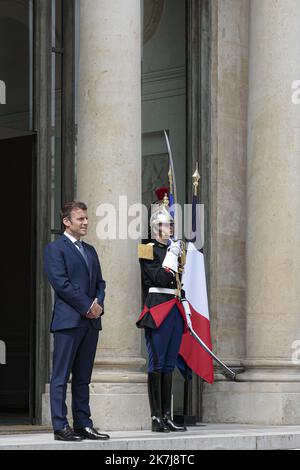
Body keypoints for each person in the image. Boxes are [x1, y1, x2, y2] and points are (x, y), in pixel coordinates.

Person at [44, 201, 110, 442]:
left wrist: (98, 305)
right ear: (66, 222)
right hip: (68, 322)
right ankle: (60, 426)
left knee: (83, 377)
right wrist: (87, 306)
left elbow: (100, 283)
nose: (86, 222)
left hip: (91, 323)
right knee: (60, 376)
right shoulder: (55, 248)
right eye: (80, 219)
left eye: (86, 218)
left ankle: (83, 423)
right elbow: (61, 283)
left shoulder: (90, 249)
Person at [137, 196, 188, 433]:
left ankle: (167, 415)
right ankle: (155, 417)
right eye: (166, 225)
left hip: (174, 307)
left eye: (172, 226)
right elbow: (157, 278)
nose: (170, 229)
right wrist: (170, 256)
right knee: (156, 362)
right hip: (157, 307)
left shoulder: (175, 249)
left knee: (168, 363)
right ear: (156, 227)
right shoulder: (147, 249)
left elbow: (179, 282)